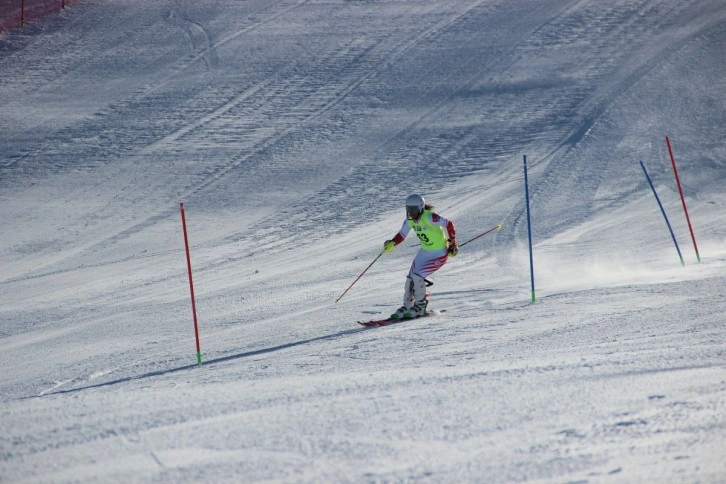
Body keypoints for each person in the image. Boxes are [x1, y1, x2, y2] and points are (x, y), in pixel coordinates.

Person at [383, 194, 458, 319]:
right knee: (410, 278)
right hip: (425, 252)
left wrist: (453, 244)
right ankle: (407, 306)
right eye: (409, 209)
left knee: (418, 276)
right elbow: (401, 235)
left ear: (421, 208)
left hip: (439, 253)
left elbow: (449, 224)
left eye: (414, 209)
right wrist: (392, 243)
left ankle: (420, 306)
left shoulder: (430, 217)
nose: (411, 212)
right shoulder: (410, 220)